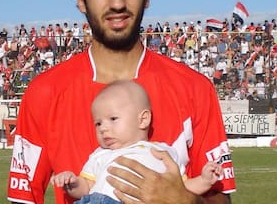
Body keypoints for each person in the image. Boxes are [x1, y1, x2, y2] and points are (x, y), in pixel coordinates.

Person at [7, 0, 235, 204]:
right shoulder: (43, 92)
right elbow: (24, 198)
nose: (117, 3)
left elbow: (220, 199)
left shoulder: (195, 88)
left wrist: (184, 200)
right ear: (81, 0)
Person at [52, 80, 222, 203]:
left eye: (113, 119)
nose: (103, 128)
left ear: (143, 119)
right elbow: (87, 186)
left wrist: (205, 180)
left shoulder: (162, 153)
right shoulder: (100, 154)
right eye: (98, 123)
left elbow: (181, 188)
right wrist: (71, 183)